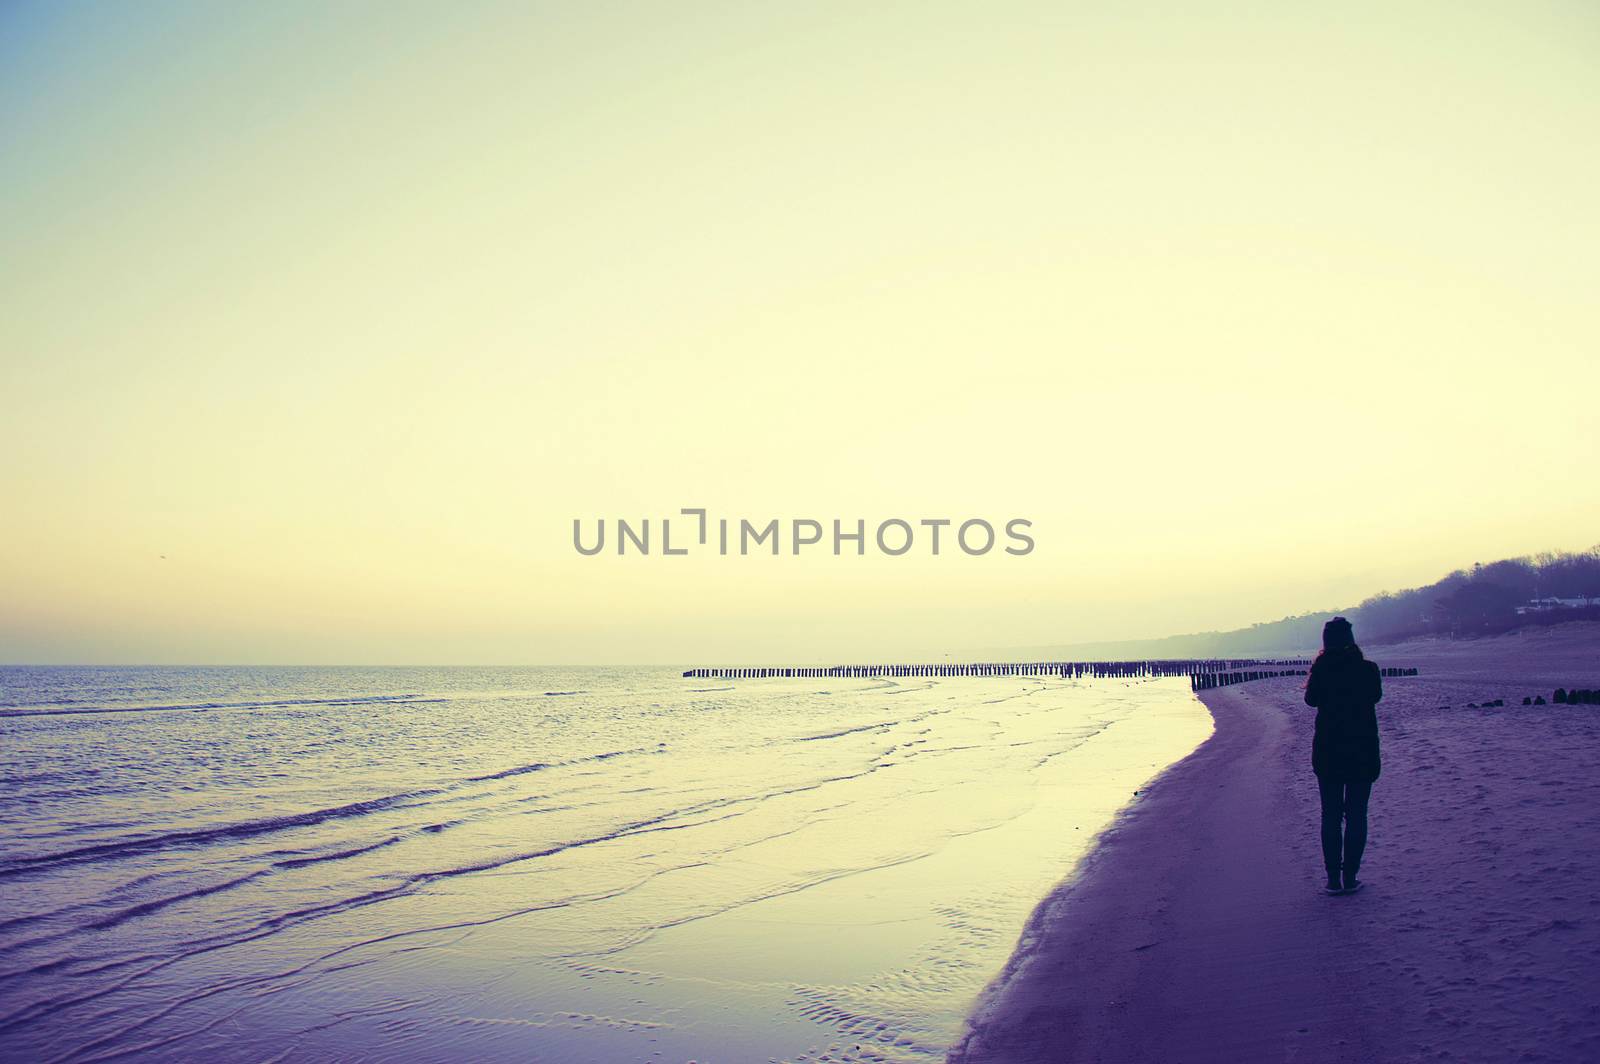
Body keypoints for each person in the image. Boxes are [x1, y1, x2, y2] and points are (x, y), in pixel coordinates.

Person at [1303, 616, 1382, 895]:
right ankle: (1350, 877)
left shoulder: (1322, 670)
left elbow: (1311, 700)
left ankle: (1332, 879)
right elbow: (1374, 696)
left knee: (1331, 815)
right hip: (1362, 749)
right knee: (1357, 815)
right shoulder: (1368, 669)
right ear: (1350, 639)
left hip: (1329, 750)